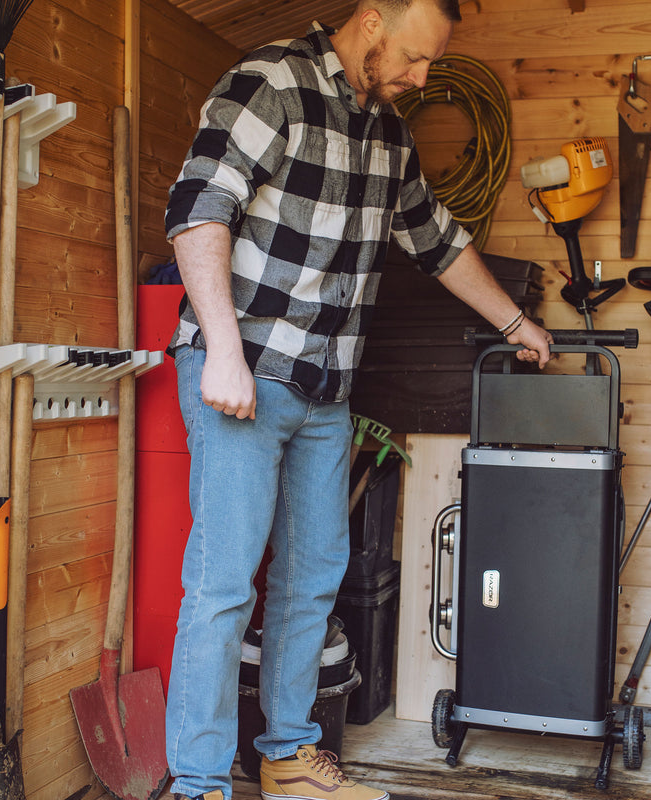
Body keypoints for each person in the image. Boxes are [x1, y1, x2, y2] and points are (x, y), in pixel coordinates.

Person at [164, 1, 553, 799]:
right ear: (372, 21)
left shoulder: (388, 133)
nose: (419, 77)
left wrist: (517, 321)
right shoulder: (271, 82)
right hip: (246, 377)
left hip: (326, 390)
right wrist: (225, 353)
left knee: (312, 579)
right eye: (414, 57)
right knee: (224, 583)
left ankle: (287, 756)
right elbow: (197, 208)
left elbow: (436, 241)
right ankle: (199, 782)